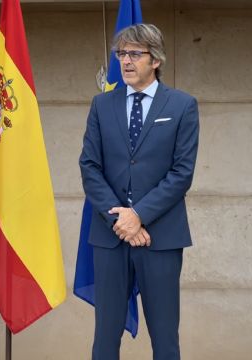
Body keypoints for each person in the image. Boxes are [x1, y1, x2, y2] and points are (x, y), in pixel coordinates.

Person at [79, 24, 199, 360]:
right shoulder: (102, 105)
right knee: (105, 338)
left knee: (164, 338)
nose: (126, 61)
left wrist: (139, 216)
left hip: (160, 237)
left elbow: (181, 173)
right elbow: (90, 166)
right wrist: (122, 219)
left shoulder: (182, 105)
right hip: (110, 235)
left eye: (135, 54)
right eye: (121, 54)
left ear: (155, 59)